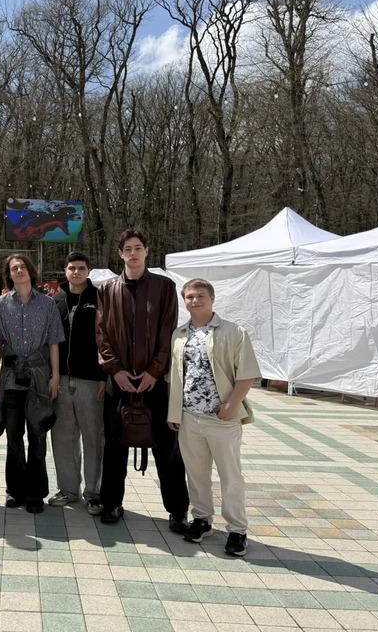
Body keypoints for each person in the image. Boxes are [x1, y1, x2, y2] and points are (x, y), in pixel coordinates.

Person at [96, 229, 189, 528]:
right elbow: (102, 334)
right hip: (119, 379)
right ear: (120, 253)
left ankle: (178, 510)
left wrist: (154, 371)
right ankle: (111, 503)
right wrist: (115, 370)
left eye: (138, 248)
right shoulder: (107, 289)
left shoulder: (164, 287)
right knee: (114, 444)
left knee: (167, 446)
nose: (133, 253)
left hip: (154, 380)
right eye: (128, 249)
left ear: (147, 251)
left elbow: (168, 332)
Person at [167, 279, 261, 556]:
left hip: (222, 418)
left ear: (212, 298)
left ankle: (237, 529)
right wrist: (174, 412)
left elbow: (247, 373)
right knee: (196, 474)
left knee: (230, 475)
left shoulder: (233, 332)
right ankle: (202, 519)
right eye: (189, 297)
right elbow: (176, 376)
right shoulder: (179, 335)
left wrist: (232, 405)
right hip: (189, 416)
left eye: (201, 296)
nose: (195, 301)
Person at [0, 255, 64, 514]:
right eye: (14, 268)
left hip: (39, 379)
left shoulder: (47, 304)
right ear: (9, 274)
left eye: (22, 267)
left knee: (38, 436)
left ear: (31, 271)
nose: (19, 271)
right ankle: (14, 490)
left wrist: (55, 375)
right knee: (13, 438)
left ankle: (35, 493)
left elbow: (54, 341)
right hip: (11, 379)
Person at [49, 252, 106, 514]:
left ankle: (94, 493)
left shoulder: (100, 298)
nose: (76, 272)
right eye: (72, 268)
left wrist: (104, 376)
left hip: (91, 379)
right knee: (63, 437)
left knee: (93, 438)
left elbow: (107, 339)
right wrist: (53, 375)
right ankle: (68, 489)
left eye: (81, 268)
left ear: (89, 271)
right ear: (65, 270)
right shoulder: (56, 300)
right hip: (61, 379)